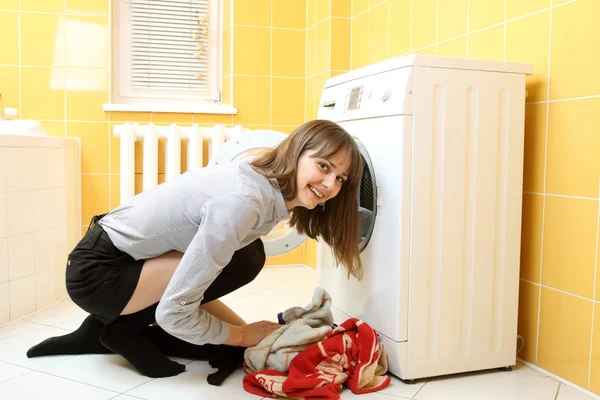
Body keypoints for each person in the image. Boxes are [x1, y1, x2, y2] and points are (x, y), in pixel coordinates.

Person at [26, 119, 364, 378]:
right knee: (245, 260)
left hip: (122, 263)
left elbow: (197, 278)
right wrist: (241, 336)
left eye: (341, 178)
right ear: (297, 152)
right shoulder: (244, 203)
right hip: (98, 274)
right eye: (324, 166)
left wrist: (253, 338)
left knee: (247, 255)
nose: (330, 185)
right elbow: (175, 311)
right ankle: (120, 330)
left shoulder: (260, 184)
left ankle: (99, 328)